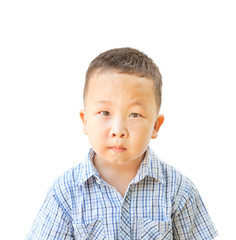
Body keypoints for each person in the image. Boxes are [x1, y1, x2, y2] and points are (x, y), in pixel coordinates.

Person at [26, 47, 218, 239]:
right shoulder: (65, 193)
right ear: (85, 121)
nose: (118, 130)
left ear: (155, 126)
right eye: (105, 113)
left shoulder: (178, 190)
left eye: (134, 115)